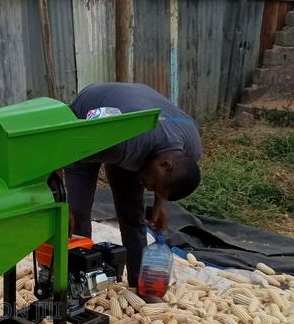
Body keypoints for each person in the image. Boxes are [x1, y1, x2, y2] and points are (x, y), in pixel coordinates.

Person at [64, 82, 202, 291]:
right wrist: (61, 202)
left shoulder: (190, 150)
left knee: (133, 214)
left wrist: (160, 203)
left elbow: (167, 176)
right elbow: (60, 149)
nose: (148, 189)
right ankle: (79, 283)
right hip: (86, 116)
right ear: (164, 164)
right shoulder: (123, 144)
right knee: (77, 213)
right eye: (153, 186)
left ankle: (140, 283)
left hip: (134, 122)